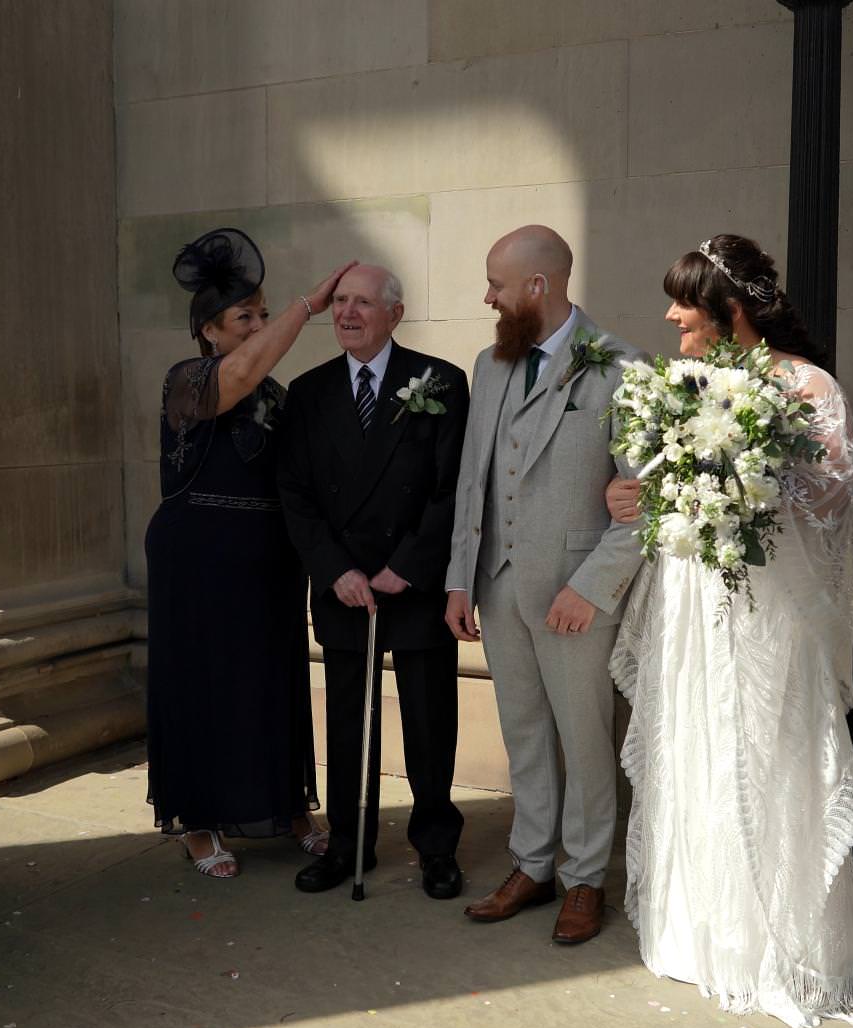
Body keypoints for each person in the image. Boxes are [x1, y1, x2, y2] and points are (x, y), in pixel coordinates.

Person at [601, 235, 853, 1028]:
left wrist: (743, 484)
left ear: (730, 311)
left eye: (684, 304)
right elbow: (665, 487)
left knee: (769, 757)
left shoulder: (808, 386)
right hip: (697, 609)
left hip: (775, 613)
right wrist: (642, 498)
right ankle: (701, 934)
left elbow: (833, 500)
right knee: (697, 747)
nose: (670, 316)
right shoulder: (688, 384)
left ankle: (781, 948)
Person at [445, 225, 644, 945]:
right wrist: (458, 581)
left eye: (498, 285)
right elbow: (475, 478)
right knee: (523, 734)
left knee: (584, 739)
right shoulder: (489, 366)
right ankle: (531, 864)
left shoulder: (622, 366)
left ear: (539, 286)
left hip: (574, 597)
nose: (488, 297)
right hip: (495, 589)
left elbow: (642, 501)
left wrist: (591, 587)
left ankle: (584, 878)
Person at [145, 227, 355, 878]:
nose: (259, 326)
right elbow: (238, 373)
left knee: (274, 681)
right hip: (198, 556)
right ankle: (198, 820)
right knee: (203, 684)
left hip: (268, 558)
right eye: (246, 317)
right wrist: (305, 308)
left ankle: (289, 806)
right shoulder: (188, 380)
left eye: (264, 315)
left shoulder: (276, 396)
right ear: (209, 330)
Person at [277, 264, 470, 899]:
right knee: (347, 724)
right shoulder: (305, 393)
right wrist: (335, 570)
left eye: (361, 302)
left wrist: (406, 567)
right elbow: (296, 497)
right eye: (338, 302)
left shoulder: (440, 382)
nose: (346, 313)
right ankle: (347, 844)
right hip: (344, 587)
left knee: (429, 720)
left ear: (395, 312)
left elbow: (452, 492)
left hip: (412, 582)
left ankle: (437, 847)